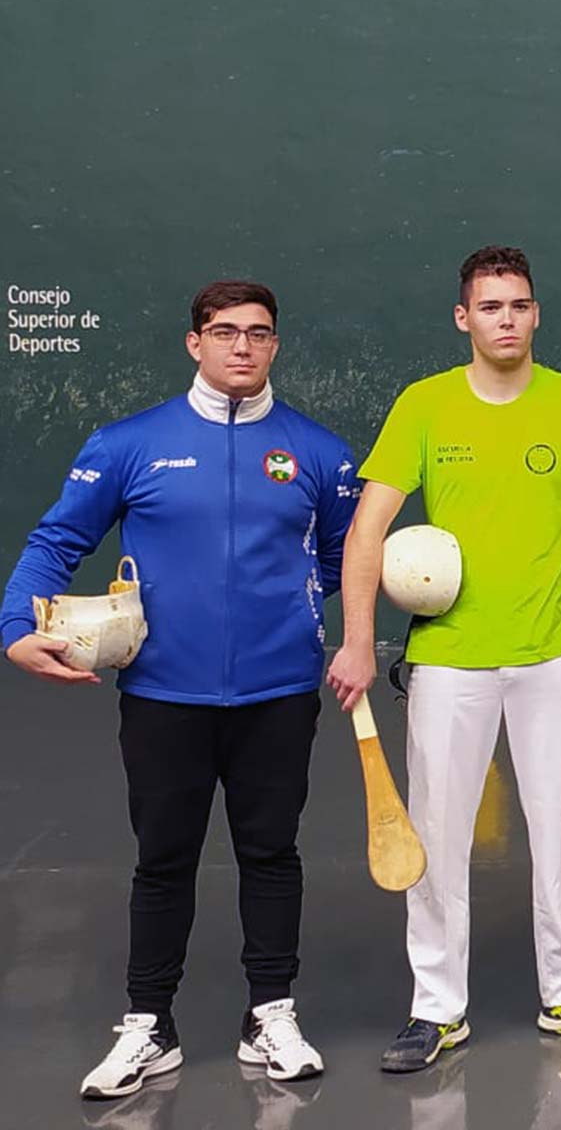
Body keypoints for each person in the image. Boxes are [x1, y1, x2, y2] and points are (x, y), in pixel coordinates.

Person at [2, 281, 355, 1098]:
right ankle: (148, 1026)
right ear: (194, 343)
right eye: (224, 332)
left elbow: (341, 558)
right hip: (163, 695)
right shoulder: (130, 444)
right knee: (164, 860)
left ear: (275, 346)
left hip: (279, 692)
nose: (242, 347)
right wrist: (16, 626)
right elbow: (57, 539)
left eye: (258, 334)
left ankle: (270, 1011)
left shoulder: (320, 453)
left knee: (272, 853)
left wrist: (289, 609)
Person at [326, 246, 561, 1072]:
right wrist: (359, 638)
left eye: (520, 305)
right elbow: (368, 529)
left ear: (537, 314)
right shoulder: (424, 407)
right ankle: (437, 1009)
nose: (507, 319)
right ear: (464, 319)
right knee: (435, 835)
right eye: (491, 307)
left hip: (553, 656)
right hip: (450, 663)